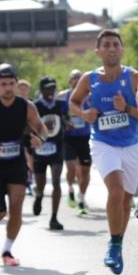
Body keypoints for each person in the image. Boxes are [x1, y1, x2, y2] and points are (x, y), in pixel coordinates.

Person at [70, 29, 138, 275]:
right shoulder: (89, 79)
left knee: (125, 201)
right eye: (106, 45)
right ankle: (112, 245)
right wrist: (83, 114)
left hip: (131, 144)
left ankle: (118, 244)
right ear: (98, 51)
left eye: (115, 44)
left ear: (122, 49)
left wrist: (127, 108)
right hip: (103, 142)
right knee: (115, 189)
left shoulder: (134, 78)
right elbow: (73, 101)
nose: (111, 48)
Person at [0, 64, 49, 267]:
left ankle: (7, 250)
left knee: (17, 207)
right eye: (3, 84)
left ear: (16, 83)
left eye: (11, 84)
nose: (7, 88)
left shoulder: (26, 106)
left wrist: (40, 138)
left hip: (16, 164)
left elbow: (41, 128)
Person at [32, 76, 68, 230]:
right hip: (40, 149)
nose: (50, 91)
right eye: (47, 88)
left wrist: (68, 124)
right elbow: (29, 125)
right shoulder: (34, 106)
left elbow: (65, 119)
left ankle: (54, 218)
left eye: (53, 88)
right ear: (41, 90)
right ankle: (39, 195)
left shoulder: (61, 104)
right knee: (40, 184)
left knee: (56, 182)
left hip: (56, 147)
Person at [60, 69, 93, 215]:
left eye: (79, 77)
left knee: (85, 170)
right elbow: (56, 114)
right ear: (69, 81)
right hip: (69, 138)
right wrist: (65, 122)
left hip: (85, 137)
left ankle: (81, 198)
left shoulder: (91, 97)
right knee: (72, 168)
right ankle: (71, 189)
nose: (76, 80)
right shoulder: (62, 96)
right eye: (73, 78)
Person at [17, 79, 36, 197]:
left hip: (31, 135)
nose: (23, 90)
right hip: (18, 137)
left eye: (25, 88)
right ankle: (27, 182)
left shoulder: (33, 104)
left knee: (32, 160)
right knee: (24, 158)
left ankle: (31, 178)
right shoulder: (15, 103)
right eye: (21, 88)